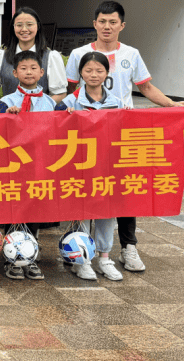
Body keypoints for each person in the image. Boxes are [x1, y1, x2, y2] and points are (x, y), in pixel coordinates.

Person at [65, 0, 184, 273]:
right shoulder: (79, 54)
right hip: (86, 135)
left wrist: (171, 105)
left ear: (122, 25)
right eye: (102, 21)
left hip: (122, 133)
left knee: (123, 189)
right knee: (86, 190)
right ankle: (80, 251)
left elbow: (145, 87)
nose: (107, 27)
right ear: (95, 24)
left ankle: (128, 247)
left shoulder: (131, 54)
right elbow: (70, 91)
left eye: (112, 22)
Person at [0, 51, 65, 281]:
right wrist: (7, 117)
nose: (29, 72)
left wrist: (70, 115)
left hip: (39, 167)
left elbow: (61, 131)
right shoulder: (6, 102)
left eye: (34, 68)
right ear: (15, 73)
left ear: (42, 73)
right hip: (13, 168)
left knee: (34, 211)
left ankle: (31, 257)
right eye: (23, 68)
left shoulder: (51, 104)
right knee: (14, 211)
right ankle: (11, 258)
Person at [62, 51, 125, 282]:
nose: (94, 75)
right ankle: (82, 259)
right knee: (80, 212)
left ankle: (104, 258)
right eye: (88, 70)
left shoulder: (117, 103)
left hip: (107, 167)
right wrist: (64, 117)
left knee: (106, 211)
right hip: (78, 167)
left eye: (99, 70)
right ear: (80, 73)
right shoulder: (70, 102)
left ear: (107, 73)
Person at [0, 6, 67, 105]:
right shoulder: (1, 56)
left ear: (38, 26)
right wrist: (4, 108)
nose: (24, 29)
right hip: (9, 117)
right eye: (19, 25)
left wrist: (40, 108)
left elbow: (60, 93)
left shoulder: (51, 57)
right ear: (13, 27)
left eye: (29, 24)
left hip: (41, 117)